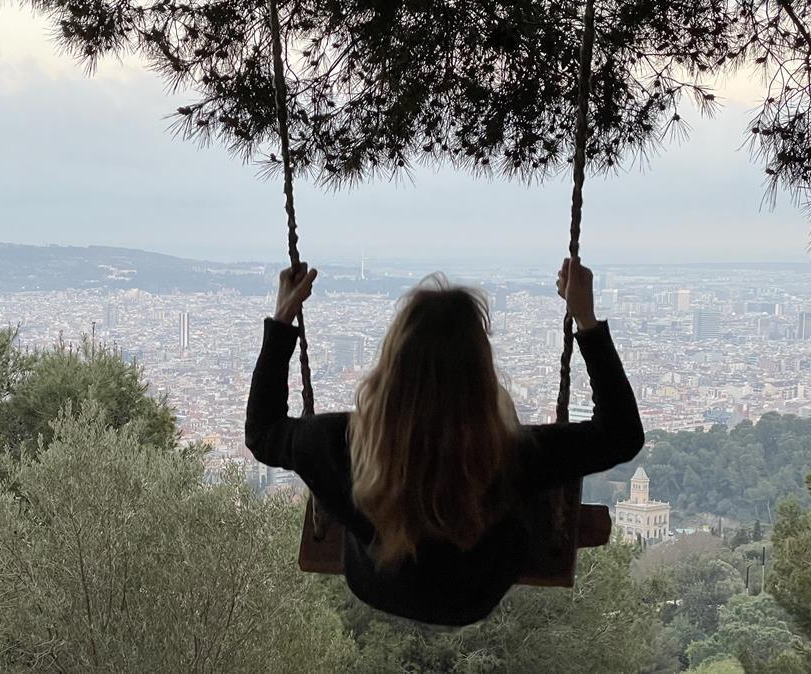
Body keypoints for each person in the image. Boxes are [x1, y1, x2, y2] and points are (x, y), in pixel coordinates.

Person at [245, 257, 644, 625]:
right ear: (482, 374)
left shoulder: (334, 442)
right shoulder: (513, 454)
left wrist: (283, 318)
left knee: (359, 493)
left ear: (390, 367)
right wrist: (586, 319)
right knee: (539, 484)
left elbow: (263, 433)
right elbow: (621, 434)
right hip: (474, 594)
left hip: (376, 584)